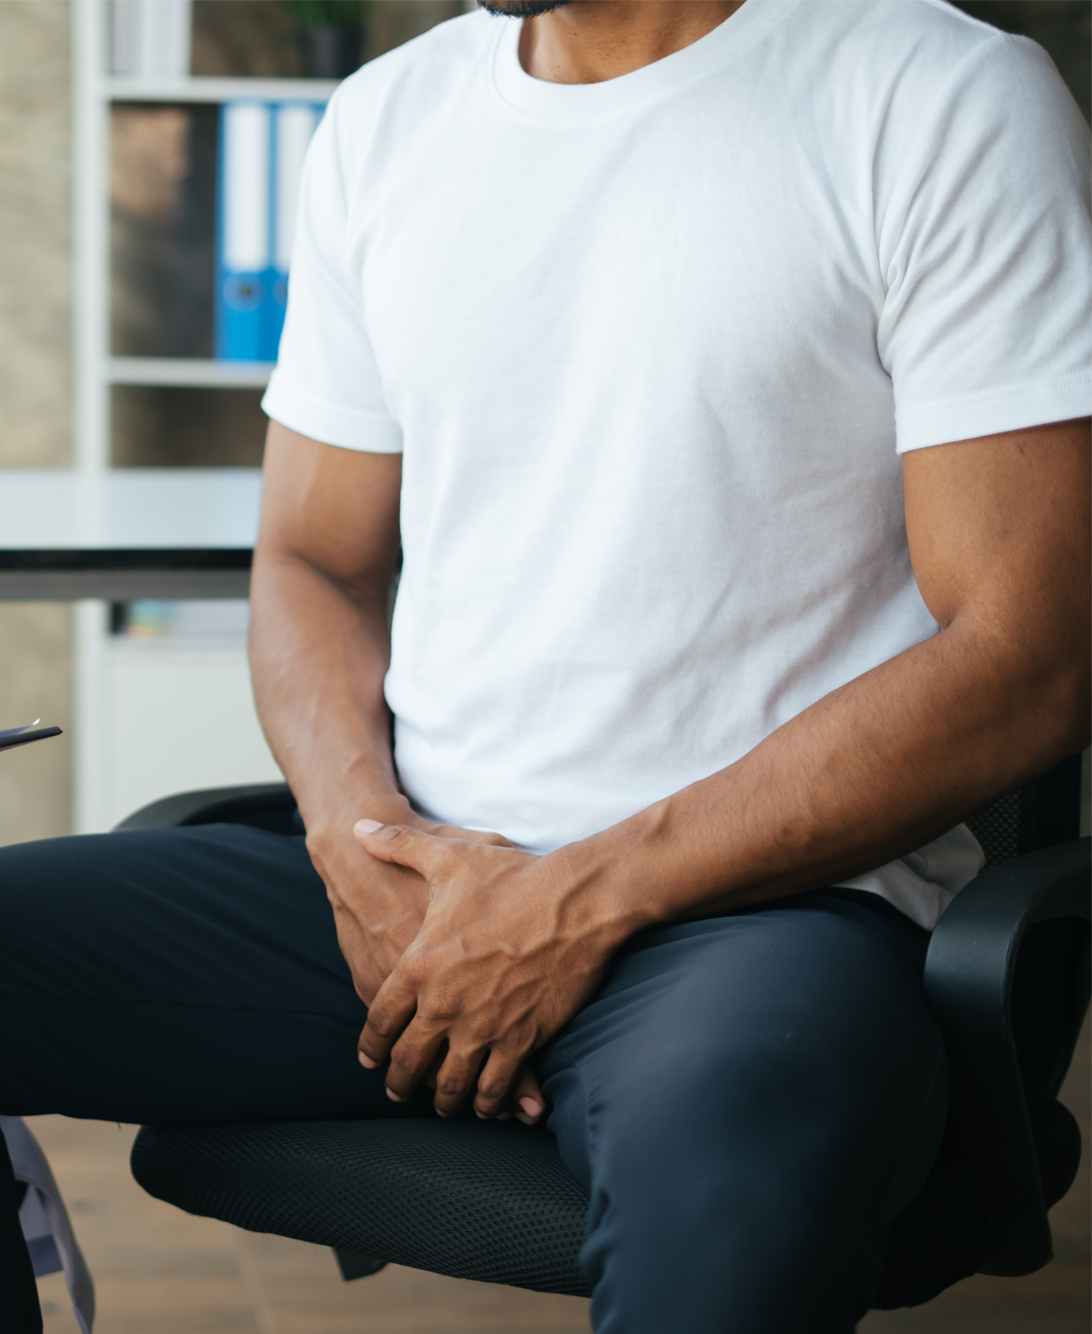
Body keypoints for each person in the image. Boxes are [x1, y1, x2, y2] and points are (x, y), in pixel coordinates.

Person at [2, 1, 1090, 1330]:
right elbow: (312, 561)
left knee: (735, 1172)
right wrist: (360, 847)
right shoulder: (383, 124)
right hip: (410, 884)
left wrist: (578, 900)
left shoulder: (939, 98)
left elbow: (1029, 649)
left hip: (765, 913)